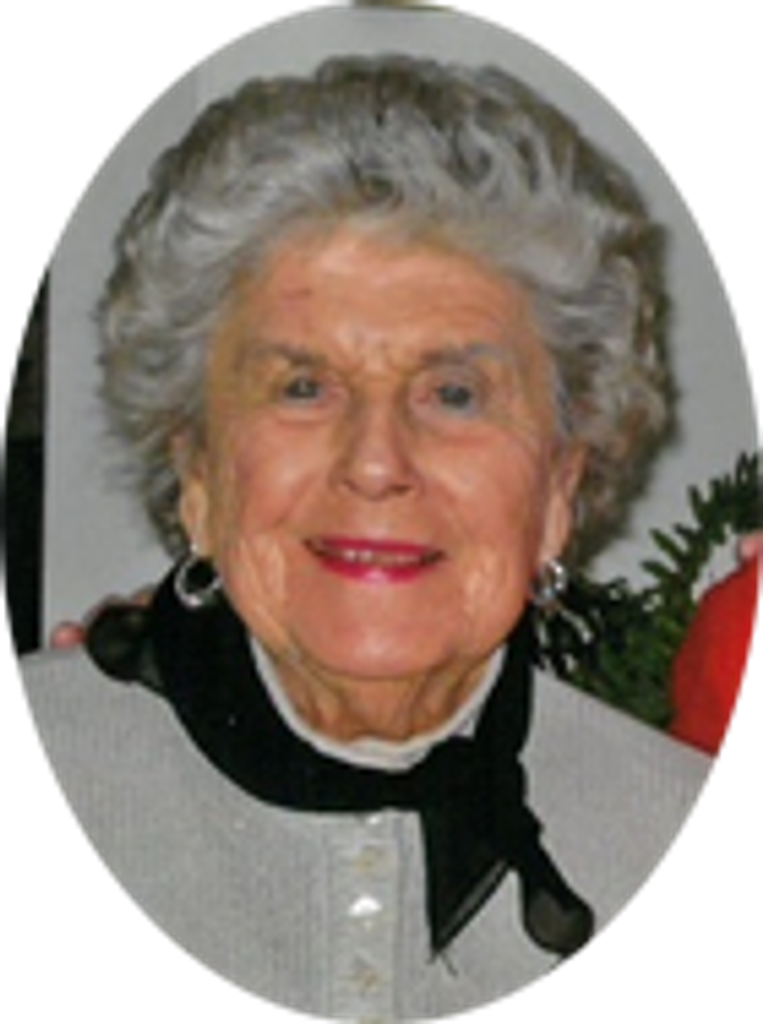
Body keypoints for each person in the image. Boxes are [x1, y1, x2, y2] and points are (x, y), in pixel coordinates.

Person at [17, 56, 717, 1018]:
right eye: (303, 387)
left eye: (454, 394)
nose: (377, 462)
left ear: (559, 486)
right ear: (199, 474)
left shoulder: (665, 825)